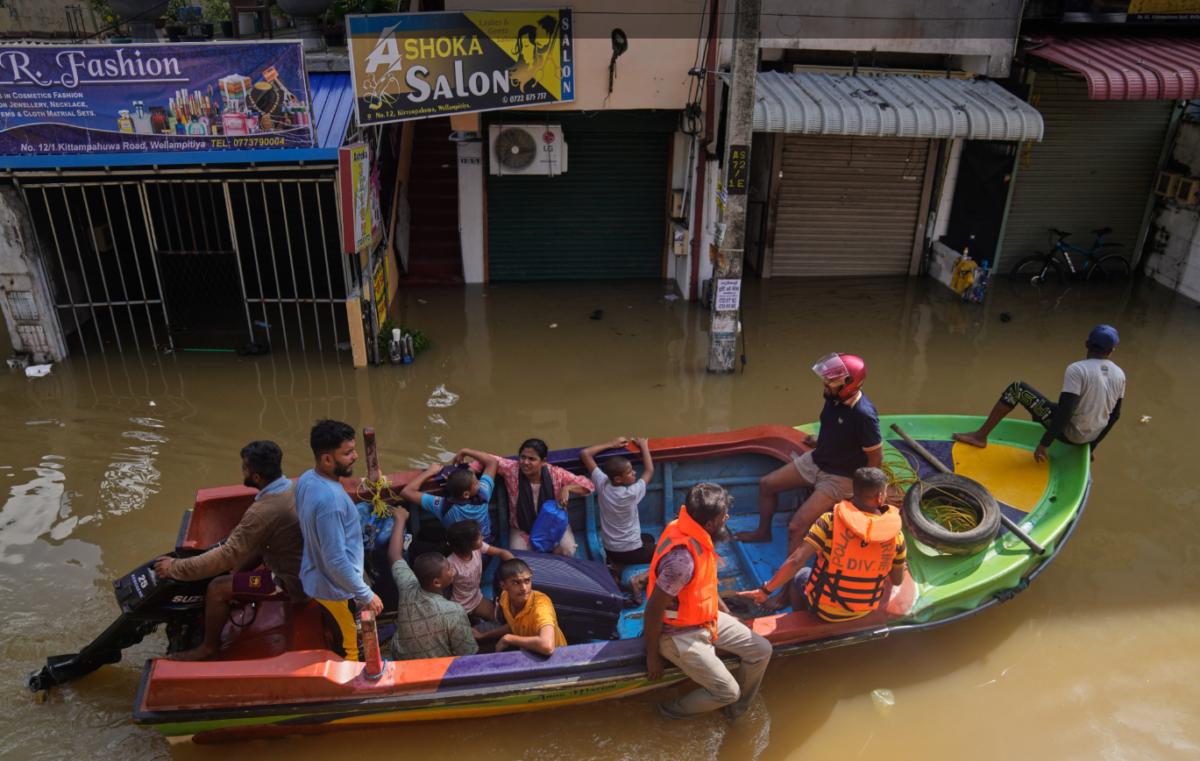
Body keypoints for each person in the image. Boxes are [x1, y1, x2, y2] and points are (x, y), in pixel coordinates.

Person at [152, 441, 308, 662]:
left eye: (244, 468)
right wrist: (237, 576)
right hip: (301, 564)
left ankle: (208, 650)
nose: (241, 471)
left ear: (255, 477)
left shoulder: (263, 511)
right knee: (250, 554)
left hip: (292, 582)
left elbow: (226, 556)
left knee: (216, 588)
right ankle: (237, 584)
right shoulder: (293, 487)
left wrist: (175, 568)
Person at [645, 482, 773, 721]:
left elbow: (707, 584)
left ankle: (734, 712)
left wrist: (728, 615)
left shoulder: (692, 531)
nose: (728, 517)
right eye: (724, 516)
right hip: (678, 634)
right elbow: (652, 612)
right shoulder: (681, 563)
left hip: (705, 618)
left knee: (761, 650)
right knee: (728, 691)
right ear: (709, 525)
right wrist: (653, 656)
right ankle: (667, 712)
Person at [736, 353, 883, 557]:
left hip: (840, 476)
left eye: (831, 380)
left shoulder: (864, 415)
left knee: (797, 526)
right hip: (817, 459)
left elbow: (876, 459)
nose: (825, 382)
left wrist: (866, 494)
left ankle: (788, 584)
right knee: (766, 484)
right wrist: (820, 440)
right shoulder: (834, 397)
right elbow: (835, 426)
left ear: (849, 383)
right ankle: (763, 532)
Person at [738, 467, 906, 622]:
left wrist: (766, 590)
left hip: (825, 609)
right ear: (880, 497)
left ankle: (800, 619)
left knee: (800, 574)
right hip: (863, 610)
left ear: (853, 491)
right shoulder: (896, 535)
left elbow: (796, 561)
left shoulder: (829, 521)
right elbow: (897, 580)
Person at [954, 325, 1125, 464]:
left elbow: (1066, 412)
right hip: (1090, 437)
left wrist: (1045, 444)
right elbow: (1115, 415)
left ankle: (980, 436)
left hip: (1070, 435)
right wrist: (1092, 446)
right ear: (1111, 351)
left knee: (1017, 389)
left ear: (1087, 344)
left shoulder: (1078, 370)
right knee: (1048, 407)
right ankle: (1041, 429)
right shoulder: (1120, 374)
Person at [295, 419, 383, 662]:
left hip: (318, 576)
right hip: (336, 591)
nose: (355, 456)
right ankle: (353, 689)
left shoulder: (306, 479)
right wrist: (366, 594)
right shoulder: (331, 502)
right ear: (326, 459)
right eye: (347, 453)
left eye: (354, 449)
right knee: (350, 649)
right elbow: (335, 560)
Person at [467, 438, 594, 556]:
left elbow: (589, 486)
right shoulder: (512, 469)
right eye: (523, 457)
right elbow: (485, 459)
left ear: (543, 461)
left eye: (532, 459)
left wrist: (567, 488)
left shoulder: (556, 474)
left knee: (568, 549)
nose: (525, 463)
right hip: (522, 529)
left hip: (552, 526)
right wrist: (468, 474)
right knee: (518, 556)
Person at [385, 505, 479, 661]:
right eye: (449, 568)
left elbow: (393, 554)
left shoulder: (407, 584)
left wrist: (400, 519)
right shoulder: (454, 611)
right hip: (434, 670)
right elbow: (468, 654)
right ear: (436, 582)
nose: (452, 567)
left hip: (400, 658)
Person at [580, 436, 655, 574]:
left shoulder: (602, 483)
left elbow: (585, 454)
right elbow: (649, 470)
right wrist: (644, 445)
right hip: (631, 552)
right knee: (666, 551)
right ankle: (637, 579)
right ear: (618, 479)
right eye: (629, 472)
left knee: (649, 538)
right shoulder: (630, 494)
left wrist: (610, 444)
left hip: (610, 549)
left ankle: (616, 563)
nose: (634, 473)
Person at [399, 448, 498, 543]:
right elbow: (492, 462)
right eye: (476, 483)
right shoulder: (483, 494)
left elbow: (406, 492)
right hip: (485, 545)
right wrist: (465, 451)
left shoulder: (443, 506)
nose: (479, 482)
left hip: (460, 549)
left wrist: (430, 472)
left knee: (422, 535)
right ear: (466, 494)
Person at [473, 558, 567, 655]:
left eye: (527, 581)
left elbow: (547, 646)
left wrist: (509, 638)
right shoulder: (505, 598)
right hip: (525, 648)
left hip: (552, 659)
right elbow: (513, 625)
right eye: (516, 583)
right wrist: (483, 636)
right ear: (504, 587)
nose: (524, 588)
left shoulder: (541, 606)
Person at [445, 519, 514, 623]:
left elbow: (502, 552)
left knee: (499, 619)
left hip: (476, 598)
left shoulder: (477, 549)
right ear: (467, 545)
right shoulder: (451, 564)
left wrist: (518, 566)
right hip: (460, 606)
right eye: (478, 538)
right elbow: (442, 589)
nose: (482, 537)